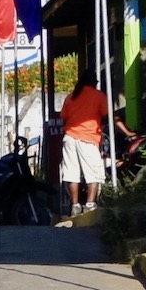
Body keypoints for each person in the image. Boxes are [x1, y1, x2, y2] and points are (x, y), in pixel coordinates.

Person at [57, 70, 115, 217]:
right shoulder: (98, 96)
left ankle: (75, 206)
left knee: (72, 173)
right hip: (88, 139)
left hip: (69, 138)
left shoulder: (71, 96)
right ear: (93, 83)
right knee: (94, 173)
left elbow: (64, 117)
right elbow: (108, 115)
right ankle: (90, 205)